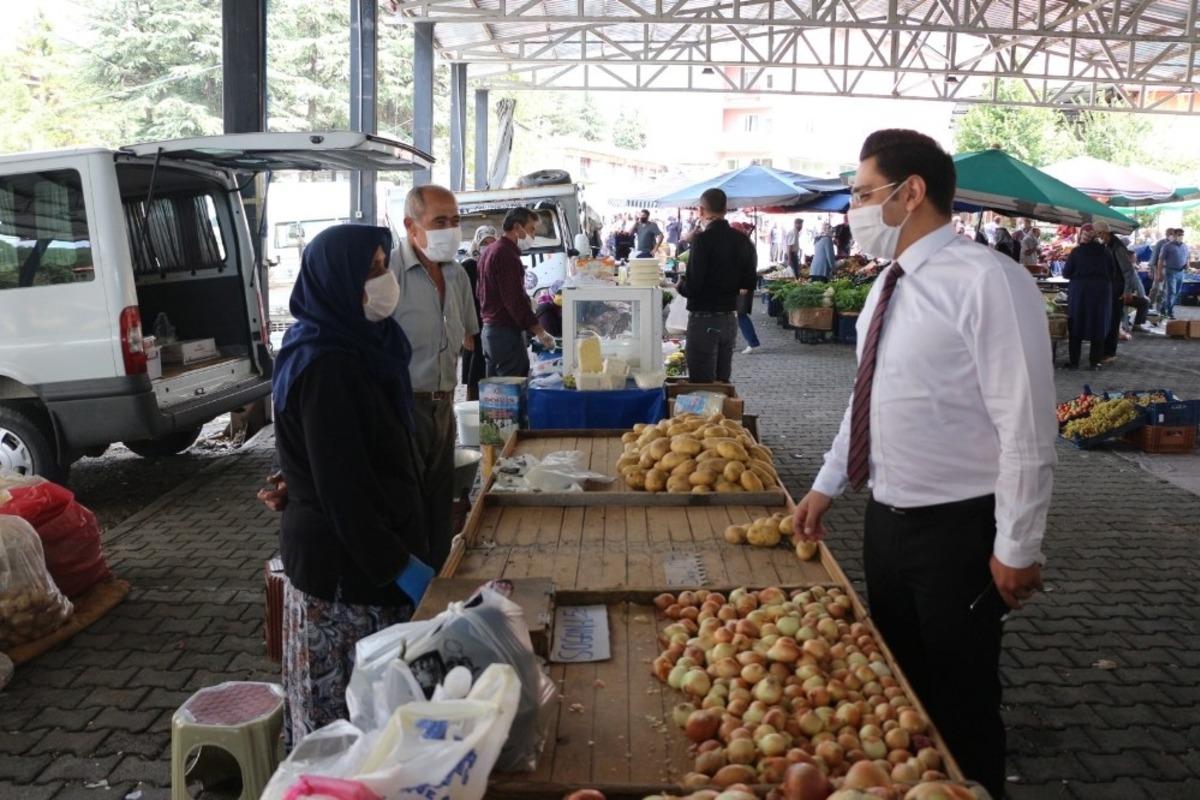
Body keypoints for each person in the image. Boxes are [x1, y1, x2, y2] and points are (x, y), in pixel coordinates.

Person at [792, 129, 1056, 800]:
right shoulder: (884, 285)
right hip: (886, 522)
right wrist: (827, 484)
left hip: (958, 532)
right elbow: (868, 399)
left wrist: (1017, 545)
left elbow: (1026, 424)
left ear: (910, 193)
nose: (852, 210)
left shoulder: (990, 281)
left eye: (862, 194)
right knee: (901, 692)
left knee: (962, 699)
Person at [272, 225, 433, 749]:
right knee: (355, 727)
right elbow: (344, 492)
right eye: (370, 270)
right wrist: (400, 567)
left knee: (385, 719)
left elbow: (329, 451)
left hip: (369, 547)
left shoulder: (364, 343)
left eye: (385, 265)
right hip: (347, 573)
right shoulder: (328, 364)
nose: (385, 279)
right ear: (336, 280)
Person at [393, 185, 479, 571]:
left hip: (444, 404)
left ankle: (440, 576)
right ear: (411, 226)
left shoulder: (456, 273)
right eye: (439, 222)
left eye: (455, 221)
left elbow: (468, 336)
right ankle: (410, 582)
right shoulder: (389, 272)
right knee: (405, 502)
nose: (450, 230)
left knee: (440, 499)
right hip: (403, 406)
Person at [677, 188, 757, 381]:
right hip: (729, 320)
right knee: (722, 380)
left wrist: (680, 285)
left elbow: (693, 287)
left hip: (704, 320)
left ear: (701, 210)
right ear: (725, 209)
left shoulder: (702, 240)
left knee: (702, 381)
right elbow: (749, 281)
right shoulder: (742, 239)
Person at [478, 207, 557, 378]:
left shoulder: (490, 250)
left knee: (495, 390)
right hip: (505, 334)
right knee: (513, 386)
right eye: (531, 229)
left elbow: (482, 292)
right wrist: (540, 331)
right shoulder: (506, 254)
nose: (533, 235)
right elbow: (514, 301)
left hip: (489, 332)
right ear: (517, 227)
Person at [1062, 224, 1114, 370]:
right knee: (1098, 324)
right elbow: (1112, 272)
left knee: (1077, 324)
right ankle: (1094, 362)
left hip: (1080, 292)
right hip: (1101, 293)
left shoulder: (1076, 252)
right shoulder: (1106, 252)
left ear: (1082, 236)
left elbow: (1066, 273)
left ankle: (1074, 362)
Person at [460, 225, 497, 401]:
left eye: (491, 242)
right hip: (473, 323)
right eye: (484, 243)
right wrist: (465, 333)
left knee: (486, 368)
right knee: (474, 372)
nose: (488, 246)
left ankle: (487, 405)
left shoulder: (495, 263)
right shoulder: (468, 265)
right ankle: (472, 406)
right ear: (477, 243)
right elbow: (461, 300)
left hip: (489, 322)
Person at [1158, 227, 1189, 319]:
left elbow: (1187, 257)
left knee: (1177, 293)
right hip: (1170, 271)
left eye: (1182, 235)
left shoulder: (1185, 246)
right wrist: (1159, 273)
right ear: (1174, 235)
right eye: (1179, 235)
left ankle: (1163, 307)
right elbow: (1160, 260)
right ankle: (1169, 311)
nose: (1181, 236)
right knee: (1172, 292)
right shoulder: (1167, 246)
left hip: (1181, 272)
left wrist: (1187, 264)